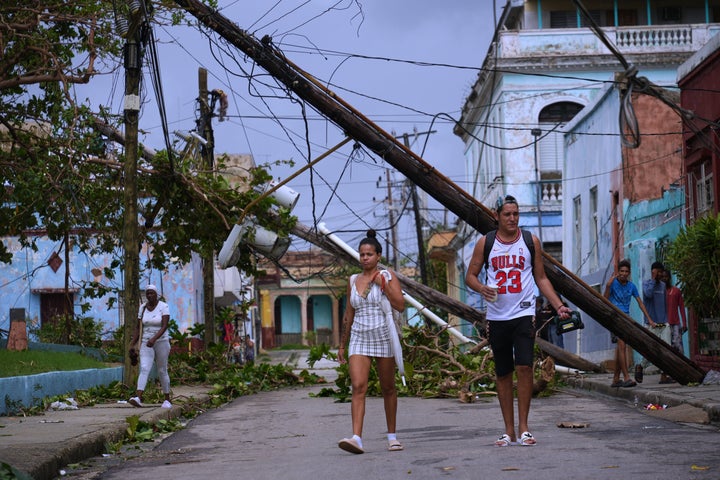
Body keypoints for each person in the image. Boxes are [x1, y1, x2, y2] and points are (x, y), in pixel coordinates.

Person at [465, 195, 571, 447]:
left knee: (525, 367)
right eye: (507, 214)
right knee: (503, 372)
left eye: (516, 214)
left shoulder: (529, 241)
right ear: (497, 216)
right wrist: (481, 288)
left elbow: (541, 278)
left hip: (524, 314)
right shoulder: (486, 243)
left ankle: (524, 428)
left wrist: (559, 305)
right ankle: (508, 431)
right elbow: (470, 275)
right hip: (497, 317)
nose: (512, 218)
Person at [337, 229, 405, 454]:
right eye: (362, 254)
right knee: (358, 386)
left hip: (383, 335)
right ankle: (356, 438)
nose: (365, 258)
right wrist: (342, 344)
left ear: (378, 256)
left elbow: (400, 305)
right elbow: (349, 313)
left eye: (369, 254)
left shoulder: (387, 276)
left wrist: (381, 284)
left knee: (388, 388)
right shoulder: (352, 280)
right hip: (359, 337)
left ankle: (392, 436)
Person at [604, 259, 655, 388]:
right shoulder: (613, 283)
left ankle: (616, 379)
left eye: (626, 271)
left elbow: (640, 303)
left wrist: (649, 319)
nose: (624, 273)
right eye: (622, 271)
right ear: (618, 272)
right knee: (622, 346)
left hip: (625, 317)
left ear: (629, 273)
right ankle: (626, 377)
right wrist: (608, 286)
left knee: (620, 349)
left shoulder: (631, 286)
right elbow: (604, 300)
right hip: (614, 316)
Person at [128, 285, 172, 408]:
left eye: (152, 293)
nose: (149, 295)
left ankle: (167, 399)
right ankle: (138, 397)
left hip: (161, 342)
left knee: (162, 370)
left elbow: (164, 326)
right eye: (147, 293)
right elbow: (138, 327)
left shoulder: (164, 306)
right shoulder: (142, 308)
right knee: (145, 368)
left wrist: (154, 338)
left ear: (156, 294)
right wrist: (133, 343)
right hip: (146, 342)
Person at [643, 261, 673, 384]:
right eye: (658, 272)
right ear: (653, 272)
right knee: (650, 350)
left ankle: (664, 375)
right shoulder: (646, 284)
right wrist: (653, 281)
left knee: (666, 349)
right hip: (651, 324)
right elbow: (648, 295)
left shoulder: (663, 286)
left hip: (663, 323)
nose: (660, 274)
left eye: (661, 272)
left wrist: (667, 322)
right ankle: (640, 366)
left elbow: (665, 304)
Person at [663, 269, 688, 355]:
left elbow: (681, 307)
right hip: (664, 325)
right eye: (662, 277)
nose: (664, 279)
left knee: (678, 347)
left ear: (669, 278)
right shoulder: (660, 292)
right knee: (667, 348)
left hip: (675, 324)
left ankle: (682, 367)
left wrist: (684, 323)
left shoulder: (676, 291)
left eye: (666, 277)